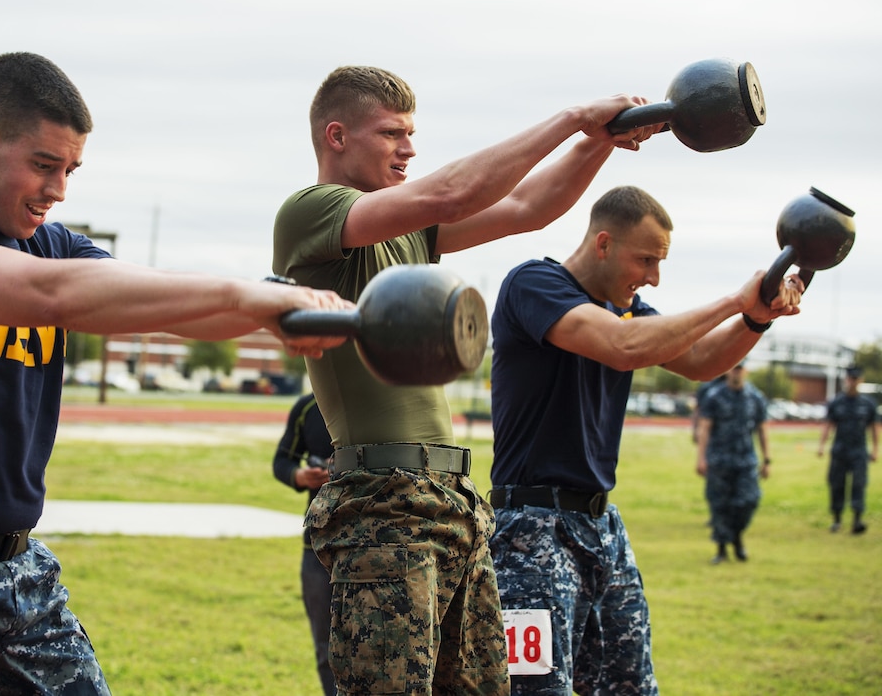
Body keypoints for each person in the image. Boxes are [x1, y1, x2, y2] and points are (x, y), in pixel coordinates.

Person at [0, 52, 351, 695]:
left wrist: (276, 303)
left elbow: (154, 296)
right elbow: (48, 294)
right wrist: (244, 297)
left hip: (17, 571)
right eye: (43, 165)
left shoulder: (51, 243)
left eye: (70, 170)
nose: (58, 190)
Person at [273, 64, 662, 695]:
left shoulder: (406, 232)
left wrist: (600, 140)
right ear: (337, 136)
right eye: (393, 133)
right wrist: (571, 117)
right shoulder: (312, 213)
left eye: (412, 133)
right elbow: (450, 193)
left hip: (450, 498)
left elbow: (528, 207)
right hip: (380, 501)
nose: (410, 148)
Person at [488, 185, 804, 694]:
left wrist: (754, 318)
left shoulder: (630, 312)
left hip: (600, 524)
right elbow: (620, 346)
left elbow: (702, 361)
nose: (653, 277)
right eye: (646, 260)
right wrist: (731, 300)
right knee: (536, 689)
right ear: (603, 243)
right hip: (531, 531)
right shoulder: (534, 284)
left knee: (629, 686)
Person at [272, 392, 337, 696]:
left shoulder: (375, 397)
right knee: (326, 649)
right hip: (316, 550)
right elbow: (281, 461)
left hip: (371, 547)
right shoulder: (307, 407)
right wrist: (299, 475)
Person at [695, 361, 771, 563]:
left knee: (749, 500)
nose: (736, 372)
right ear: (727, 370)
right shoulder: (714, 396)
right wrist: (701, 458)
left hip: (746, 460)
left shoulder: (755, 398)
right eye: (733, 368)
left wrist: (767, 460)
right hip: (719, 460)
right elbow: (704, 429)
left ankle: (736, 536)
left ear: (745, 371)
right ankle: (721, 549)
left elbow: (762, 430)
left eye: (740, 368)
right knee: (719, 504)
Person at [818, 365, 879, 534]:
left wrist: (875, 449)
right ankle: (837, 520)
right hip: (840, 451)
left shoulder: (868, 404)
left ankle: (857, 520)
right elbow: (828, 425)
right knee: (837, 484)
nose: (852, 382)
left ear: (861, 380)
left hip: (859, 451)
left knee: (859, 485)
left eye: (855, 378)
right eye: (850, 378)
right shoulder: (837, 402)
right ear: (846, 380)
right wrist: (822, 446)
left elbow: (874, 428)